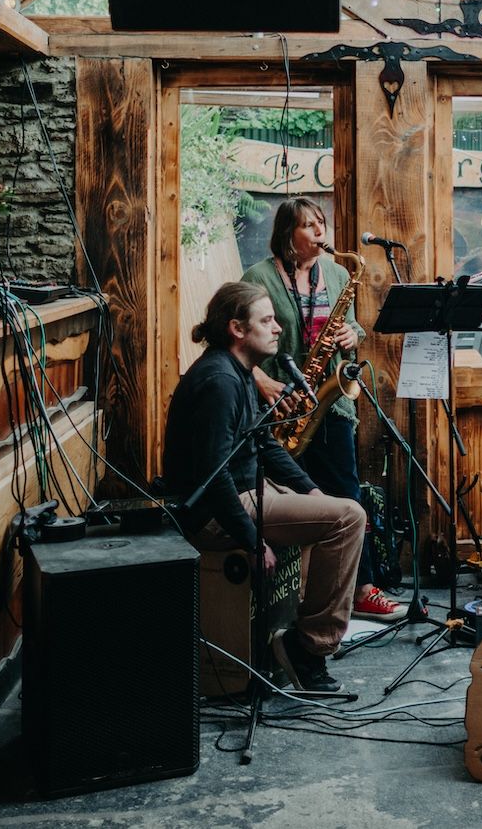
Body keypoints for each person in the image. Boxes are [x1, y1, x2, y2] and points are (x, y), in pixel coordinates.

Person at [162, 281, 364, 697]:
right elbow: (212, 474)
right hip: (220, 510)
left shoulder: (232, 371)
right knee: (350, 518)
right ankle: (309, 647)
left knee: (330, 510)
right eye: (267, 320)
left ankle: (294, 632)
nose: (277, 329)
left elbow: (263, 443)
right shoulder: (219, 382)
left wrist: (309, 491)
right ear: (237, 328)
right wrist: (252, 541)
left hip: (246, 493)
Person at [243, 197, 401, 620]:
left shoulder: (335, 272)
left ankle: (363, 586)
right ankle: (282, 597)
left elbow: (350, 324)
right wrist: (265, 383)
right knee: (284, 500)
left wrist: (352, 333)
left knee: (347, 494)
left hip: (329, 402)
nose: (320, 233)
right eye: (309, 226)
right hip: (281, 408)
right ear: (287, 234)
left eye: (321, 224)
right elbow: (234, 342)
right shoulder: (258, 277)